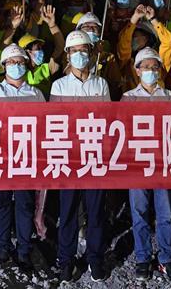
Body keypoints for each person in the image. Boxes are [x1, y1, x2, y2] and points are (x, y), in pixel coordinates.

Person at [50, 30, 112, 282]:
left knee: (95, 213)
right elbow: (54, 123)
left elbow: (107, 121)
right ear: (67, 54)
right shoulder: (59, 85)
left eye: (84, 50)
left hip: (94, 156)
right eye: (74, 51)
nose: (79, 55)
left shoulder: (101, 84)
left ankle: (95, 259)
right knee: (68, 213)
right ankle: (66, 261)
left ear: (91, 53)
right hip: (69, 157)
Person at [121, 47, 171, 281]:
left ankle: (166, 258)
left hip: (162, 163)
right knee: (139, 212)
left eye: (154, 67)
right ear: (137, 71)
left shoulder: (170, 97)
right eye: (145, 67)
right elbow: (122, 131)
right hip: (138, 164)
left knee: (165, 213)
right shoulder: (128, 98)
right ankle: (143, 258)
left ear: (160, 70)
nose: (150, 71)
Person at [0, 44, 46, 272]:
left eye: (20, 62)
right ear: (3, 67)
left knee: (24, 205)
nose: (16, 66)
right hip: (0, 156)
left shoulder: (36, 93)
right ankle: (2, 247)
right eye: (11, 63)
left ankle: (23, 249)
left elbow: (43, 125)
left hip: (26, 157)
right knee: (0, 203)